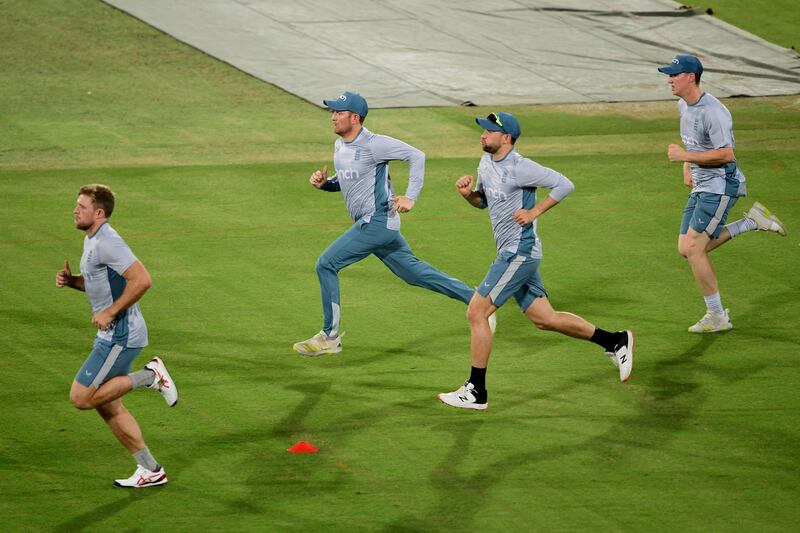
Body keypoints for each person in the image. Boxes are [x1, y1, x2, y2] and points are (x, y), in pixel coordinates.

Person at [438, 112, 633, 410]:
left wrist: (534, 212)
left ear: (506, 138)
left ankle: (476, 391)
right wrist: (468, 195)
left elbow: (564, 184)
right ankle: (616, 341)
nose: (483, 134)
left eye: (489, 131)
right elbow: (484, 202)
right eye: (483, 130)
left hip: (519, 251)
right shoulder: (486, 162)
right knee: (545, 319)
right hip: (512, 252)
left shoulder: (521, 167)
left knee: (477, 312)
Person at [293, 91, 494, 356]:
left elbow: (417, 156)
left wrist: (411, 196)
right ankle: (477, 301)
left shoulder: (375, 144)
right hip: (381, 225)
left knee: (326, 264)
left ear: (355, 117)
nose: (332, 117)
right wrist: (326, 185)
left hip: (375, 222)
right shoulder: (340, 146)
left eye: (338, 112)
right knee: (413, 273)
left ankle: (329, 336)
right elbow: (351, 181)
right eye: (332, 112)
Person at [56, 184, 178, 488]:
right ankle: (151, 470)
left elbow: (142, 280)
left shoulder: (107, 241)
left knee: (81, 398)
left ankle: (150, 376)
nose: (75, 210)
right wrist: (74, 282)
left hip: (119, 335)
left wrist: (110, 313)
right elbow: (104, 285)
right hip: (113, 334)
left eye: (81, 206)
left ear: (99, 213)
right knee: (108, 405)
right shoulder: (93, 239)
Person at [658, 54, 787, 333]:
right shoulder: (684, 105)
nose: (668, 79)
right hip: (703, 184)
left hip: (720, 186)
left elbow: (726, 154)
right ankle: (751, 221)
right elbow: (693, 142)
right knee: (686, 248)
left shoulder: (713, 112)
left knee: (694, 249)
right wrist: (688, 164)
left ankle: (717, 316)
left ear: (690, 77)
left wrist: (684, 156)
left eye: (674, 75)